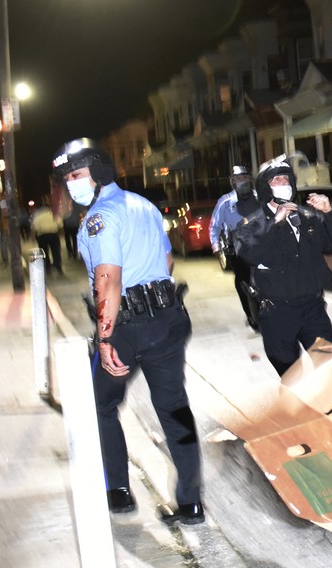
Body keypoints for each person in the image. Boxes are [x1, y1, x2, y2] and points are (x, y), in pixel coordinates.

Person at [52, 138, 204, 524]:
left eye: (77, 175)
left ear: (98, 172)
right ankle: (191, 503)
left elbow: (107, 279)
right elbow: (166, 260)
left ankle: (117, 491)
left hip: (127, 329)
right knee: (174, 410)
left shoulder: (100, 217)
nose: (72, 184)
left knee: (99, 405)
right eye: (67, 178)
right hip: (168, 320)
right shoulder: (145, 205)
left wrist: (105, 339)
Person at [233, 155, 332, 376]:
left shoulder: (307, 217)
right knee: (291, 376)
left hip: (312, 309)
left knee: (326, 368)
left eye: (285, 179)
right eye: (275, 180)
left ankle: (329, 408)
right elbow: (250, 254)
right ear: (265, 187)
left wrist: (328, 213)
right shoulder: (251, 226)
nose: (282, 184)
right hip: (278, 313)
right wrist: (275, 223)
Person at [209, 165, 260, 331]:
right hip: (237, 249)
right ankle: (251, 316)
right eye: (239, 179)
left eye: (245, 177)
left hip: (259, 244)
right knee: (242, 281)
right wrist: (216, 247)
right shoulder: (225, 202)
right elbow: (214, 226)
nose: (243, 181)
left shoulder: (259, 197)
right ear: (233, 182)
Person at [30, 198, 64, 275]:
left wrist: (32, 238)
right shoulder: (54, 215)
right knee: (56, 251)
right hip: (53, 235)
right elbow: (60, 225)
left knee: (44, 252)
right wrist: (59, 234)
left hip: (42, 236)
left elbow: (33, 228)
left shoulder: (37, 217)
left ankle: (47, 267)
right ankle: (58, 266)